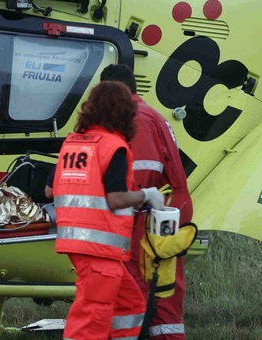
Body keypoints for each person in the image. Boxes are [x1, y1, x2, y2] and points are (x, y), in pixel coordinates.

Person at [53, 81, 166, 340]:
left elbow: (51, 190)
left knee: (128, 305)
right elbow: (115, 199)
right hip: (98, 246)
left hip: (76, 241)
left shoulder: (73, 143)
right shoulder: (114, 146)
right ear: (124, 112)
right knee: (92, 314)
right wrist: (146, 195)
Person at [101, 64, 193, 339]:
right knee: (159, 288)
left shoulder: (136, 120)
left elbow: (139, 178)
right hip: (161, 211)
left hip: (146, 214)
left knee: (141, 287)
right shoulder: (146, 115)